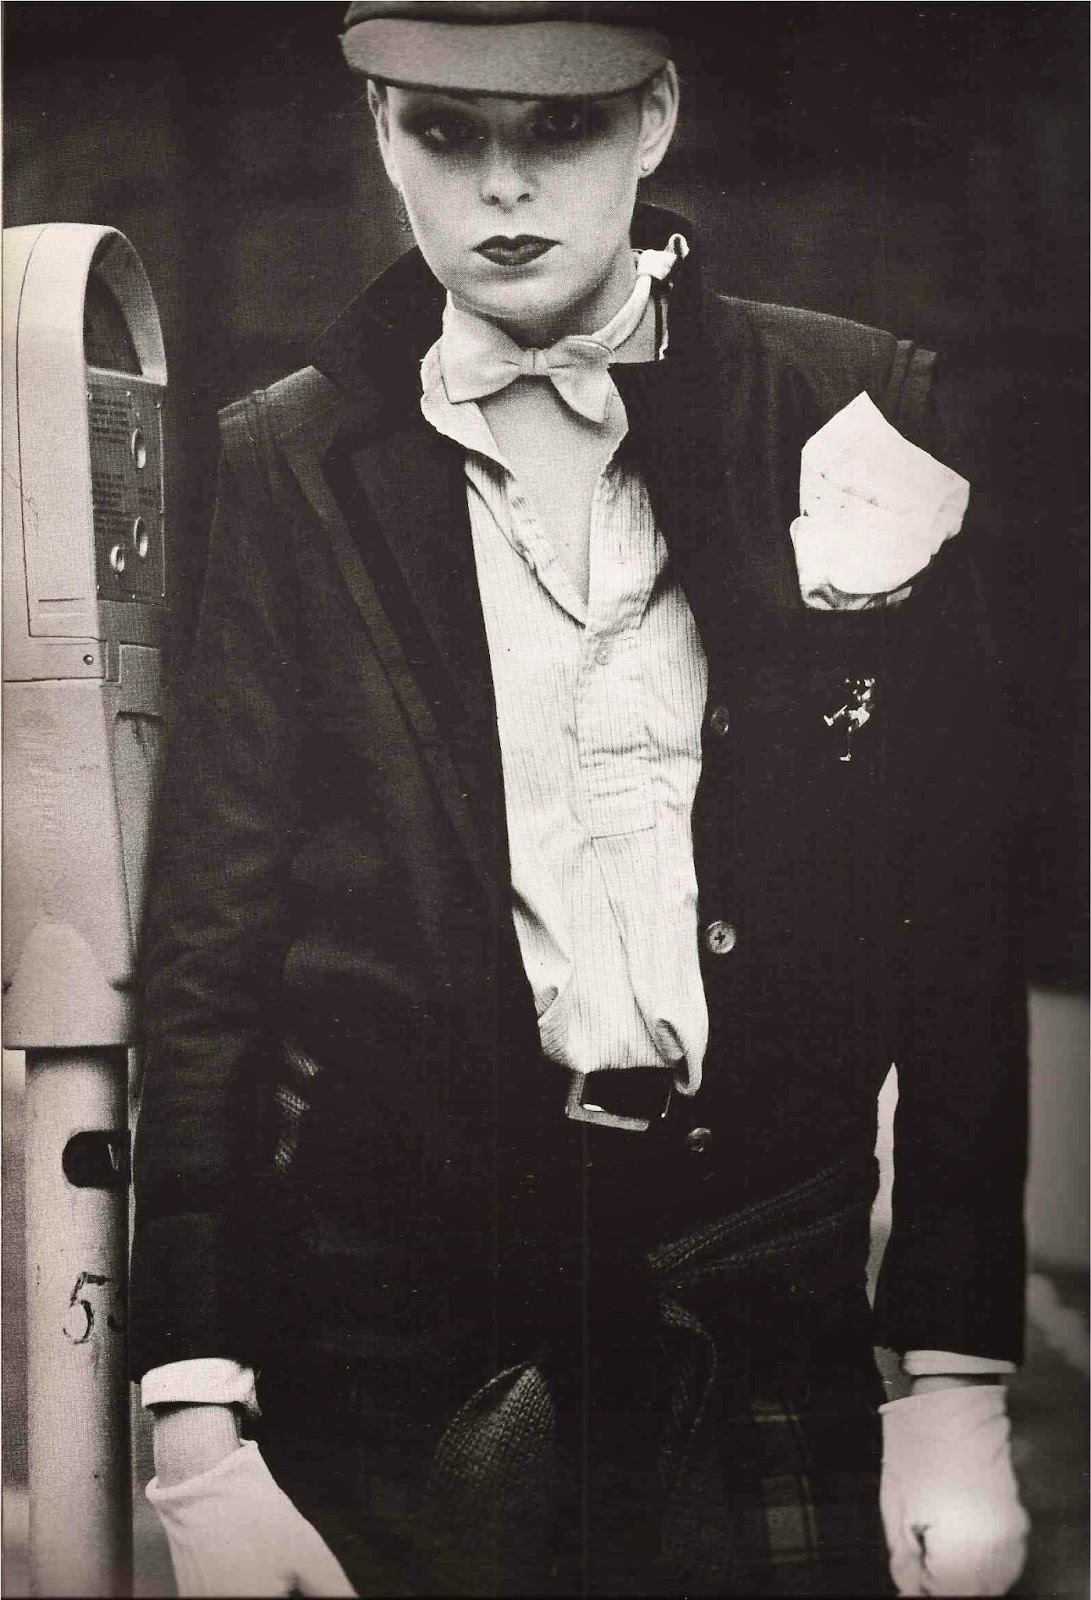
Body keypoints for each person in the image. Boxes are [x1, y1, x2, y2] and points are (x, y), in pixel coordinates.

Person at [131, 4, 1032, 1595]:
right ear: (381, 134)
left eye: (561, 128)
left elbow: (956, 913)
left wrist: (955, 1381)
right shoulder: (292, 458)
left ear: (654, 118)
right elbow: (214, 947)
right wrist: (197, 1426)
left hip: (761, 1279)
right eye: (444, 132)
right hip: (399, 1319)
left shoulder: (841, 401)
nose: (503, 190)